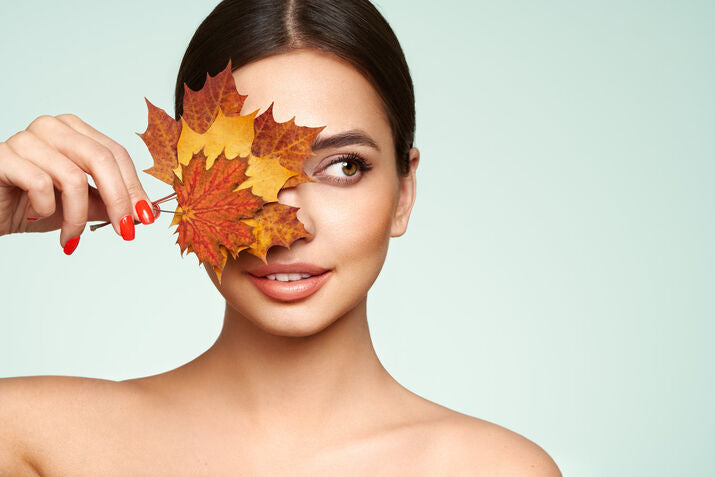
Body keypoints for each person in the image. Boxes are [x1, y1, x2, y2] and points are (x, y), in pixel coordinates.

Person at [0, 0, 561, 474]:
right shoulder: (32, 439)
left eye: (344, 167)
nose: (289, 228)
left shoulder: (495, 469)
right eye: (238, 167)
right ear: (181, 178)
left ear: (404, 192)